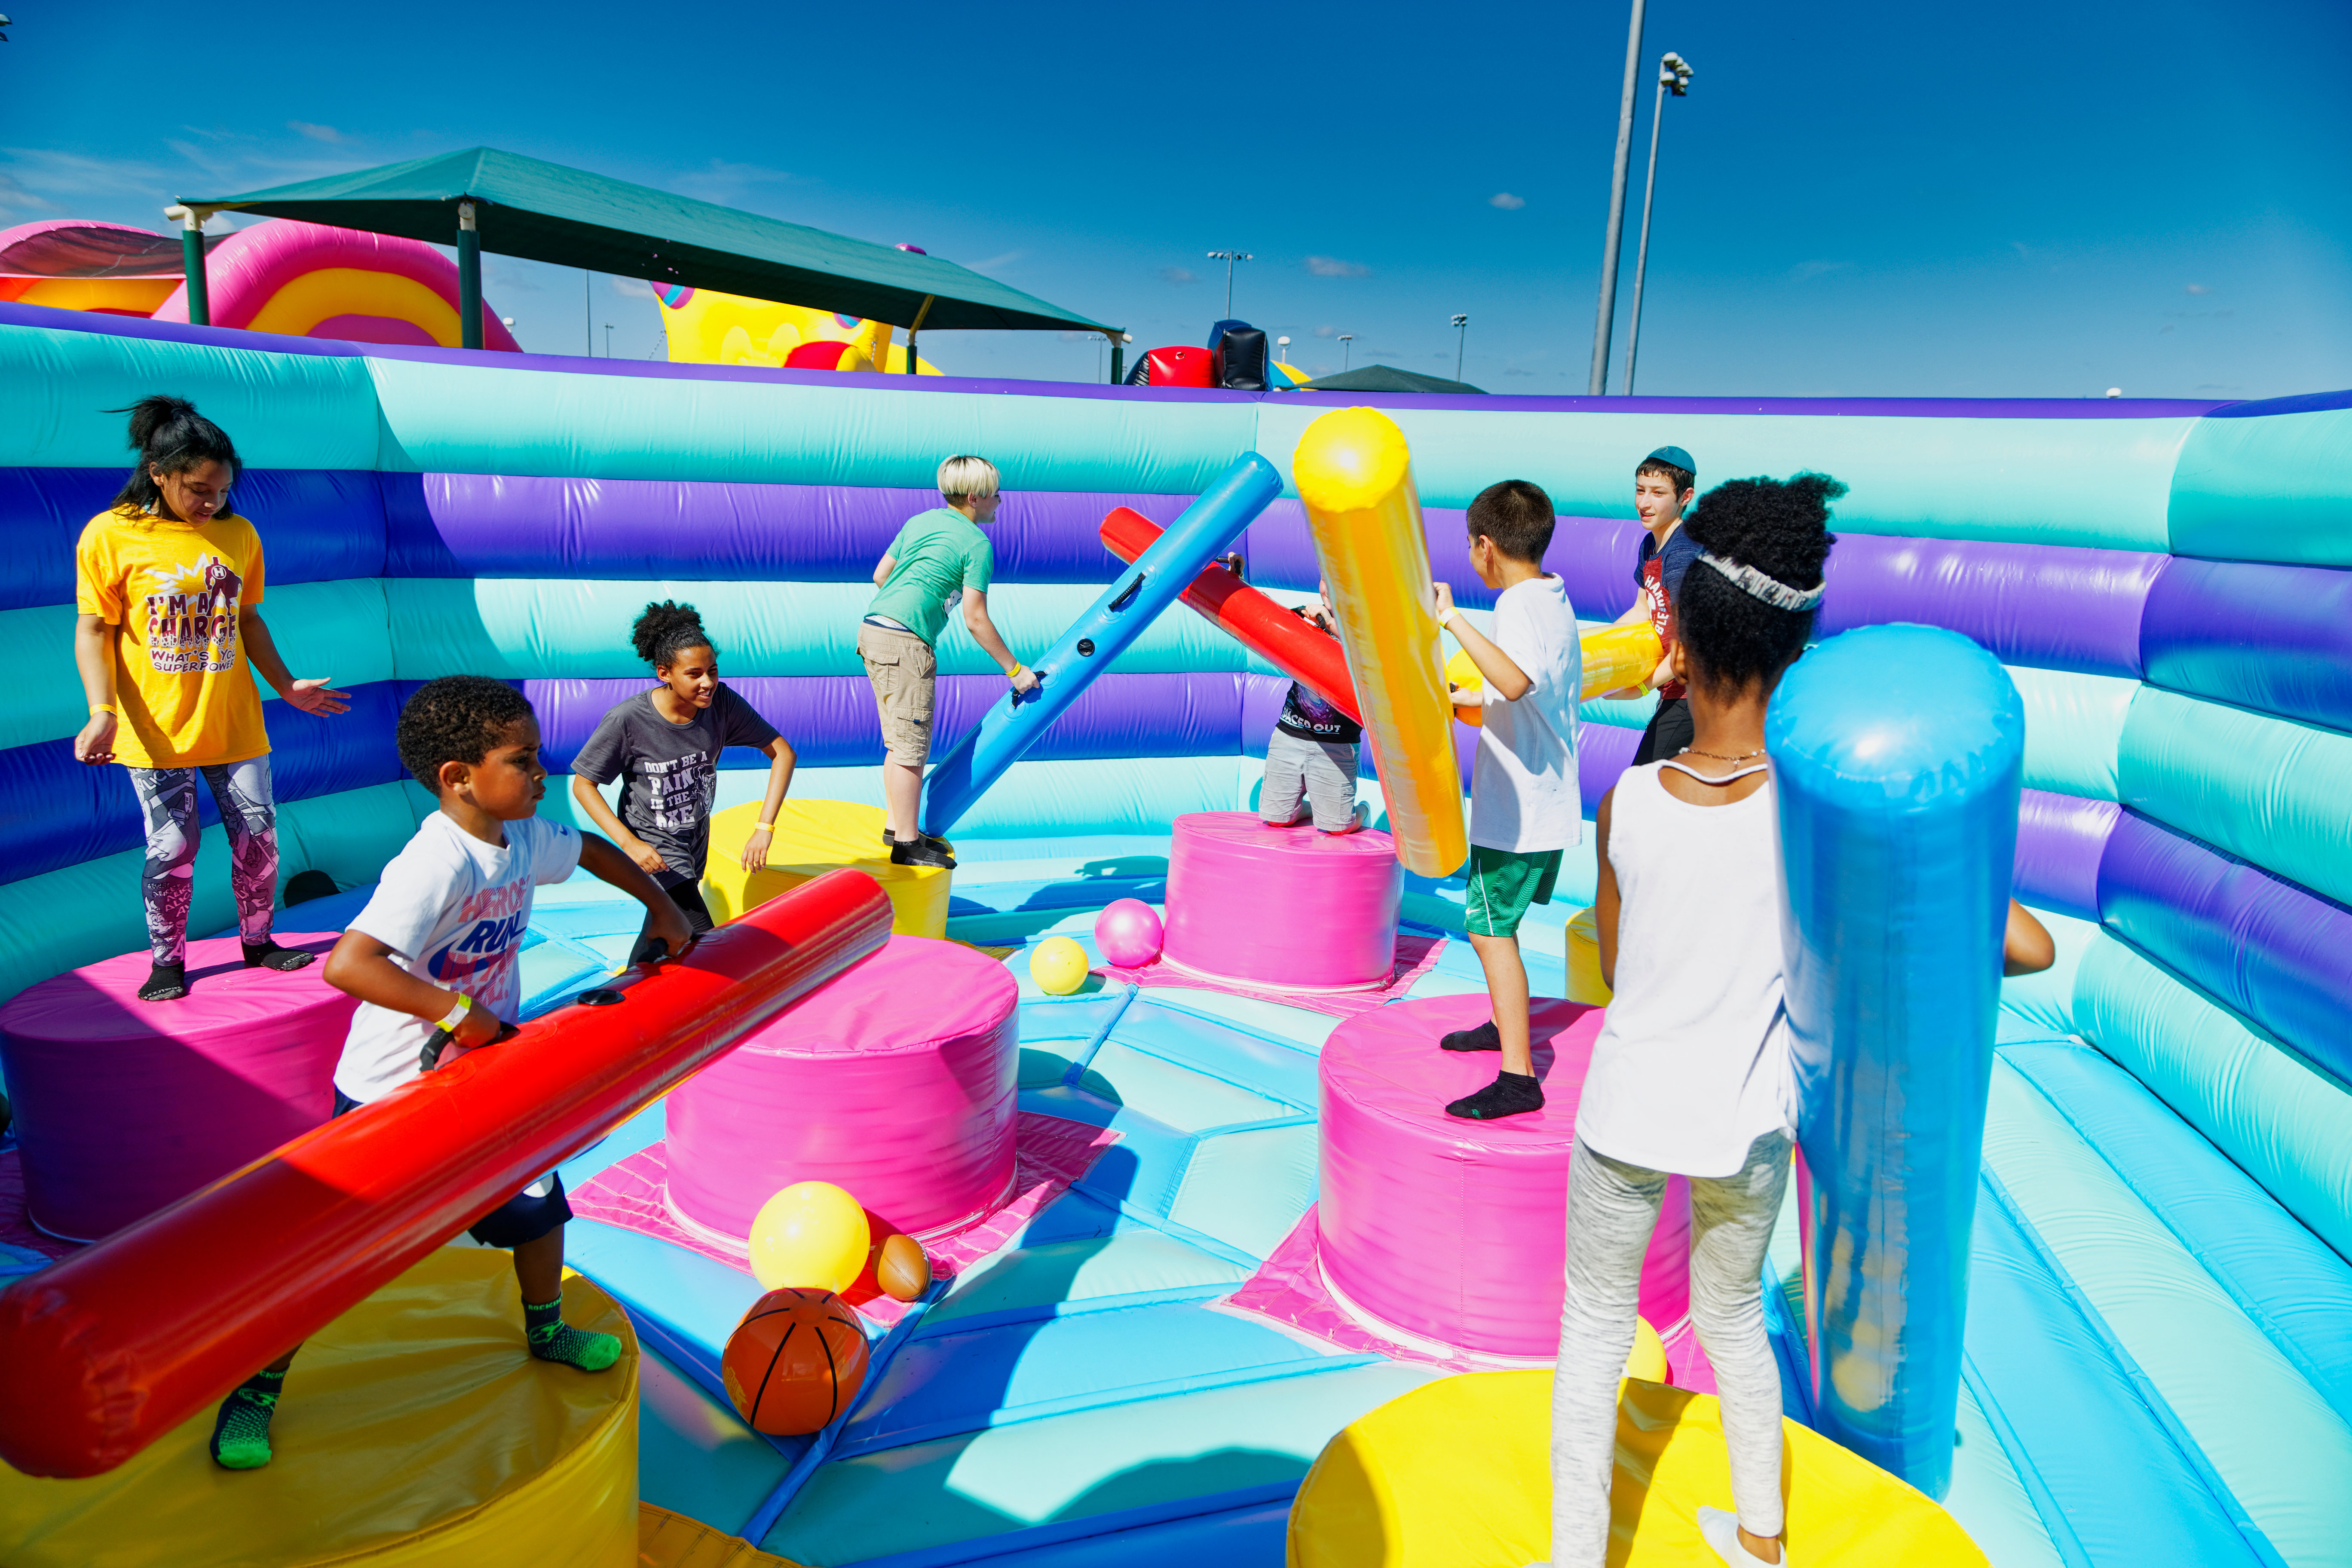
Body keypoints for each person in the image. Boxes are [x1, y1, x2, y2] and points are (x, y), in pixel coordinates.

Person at [206, 677, 692, 1471]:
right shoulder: (436, 860)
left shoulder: (523, 834)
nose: (541, 772)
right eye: (522, 760)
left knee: (537, 1209)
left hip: (487, 1074)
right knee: (330, 1253)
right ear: (458, 777)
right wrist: (453, 1011)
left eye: (538, 756)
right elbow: (349, 964)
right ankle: (256, 1386)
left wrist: (663, 906)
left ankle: (545, 1327)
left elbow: (595, 848)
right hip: (393, 1087)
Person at [71, 396, 350, 1003]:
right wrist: (101, 712)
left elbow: (248, 620)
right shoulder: (112, 534)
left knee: (259, 837)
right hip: (156, 731)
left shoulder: (237, 533)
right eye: (198, 489)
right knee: (174, 847)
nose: (212, 502)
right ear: (159, 474)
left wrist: (285, 685)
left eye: (221, 491)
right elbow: (94, 629)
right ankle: (167, 959)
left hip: (234, 722)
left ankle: (259, 941)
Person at [1430, 480, 1581, 1121]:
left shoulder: (1517, 605)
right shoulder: (1552, 598)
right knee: (1502, 928)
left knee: (1488, 930)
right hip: (1546, 799)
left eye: (1471, 547)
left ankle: (1518, 1077)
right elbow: (1533, 691)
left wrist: (1451, 618)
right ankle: (1503, 1024)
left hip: (1519, 810)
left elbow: (1516, 680)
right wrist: (1467, 702)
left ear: (1485, 547)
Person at [571, 601, 796, 964]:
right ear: (665, 674)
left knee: (664, 928)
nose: (708, 682)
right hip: (654, 846)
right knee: (704, 938)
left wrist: (764, 828)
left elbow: (783, 753)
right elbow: (583, 784)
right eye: (694, 674)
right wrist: (630, 844)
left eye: (713, 671)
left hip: (693, 839)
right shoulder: (628, 721)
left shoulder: (720, 704)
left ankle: (629, 997)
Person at [861, 455, 1037, 870]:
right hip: (905, 641)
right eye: (995, 494)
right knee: (911, 745)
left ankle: (896, 825)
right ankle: (905, 844)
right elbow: (976, 619)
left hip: (873, 629)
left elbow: (881, 575)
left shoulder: (921, 521)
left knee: (899, 739)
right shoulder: (977, 544)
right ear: (975, 498)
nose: (1001, 500)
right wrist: (1015, 670)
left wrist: (919, 598)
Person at [1603, 445, 1702, 766]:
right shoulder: (1651, 544)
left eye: (1658, 493)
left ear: (1685, 497)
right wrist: (1593, 647)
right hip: (1675, 688)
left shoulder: (1683, 554)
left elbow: (1693, 640)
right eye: (1640, 491)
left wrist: (1643, 687)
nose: (1644, 504)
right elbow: (1642, 610)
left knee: (1642, 789)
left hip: (1697, 694)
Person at [1261, 581, 1367, 834]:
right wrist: (1237, 577)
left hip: (1336, 743)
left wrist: (1333, 627)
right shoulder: (1308, 616)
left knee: (1339, 828)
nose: (1329, 586)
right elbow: (1262, 614)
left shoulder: (1366, 629)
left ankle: (1362, 811)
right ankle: (1308, 808)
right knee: (1277, 819)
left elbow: (1375, 664)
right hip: (1291, 733)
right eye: (1324, 577)